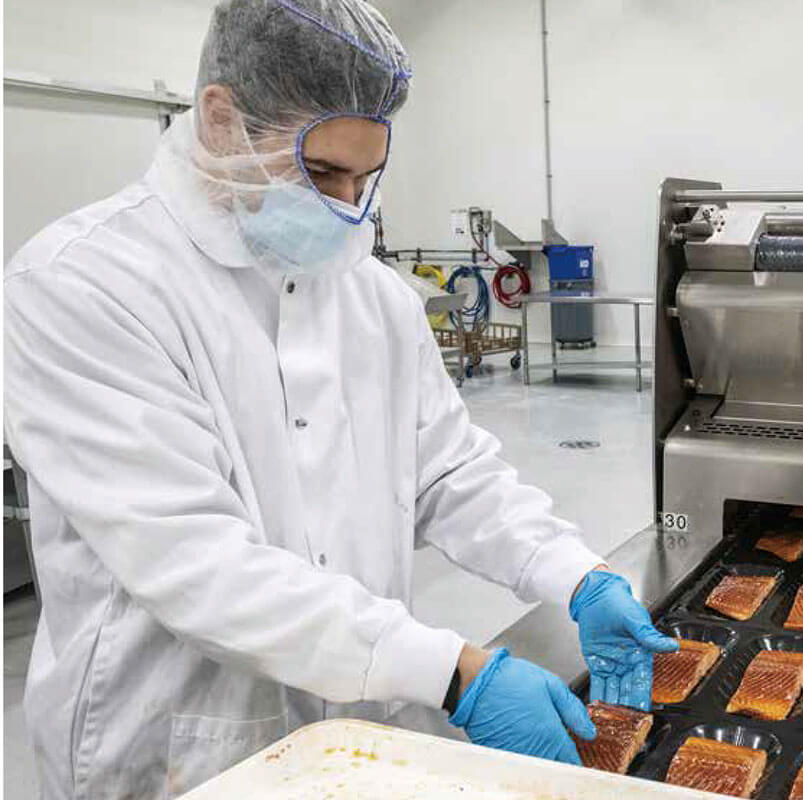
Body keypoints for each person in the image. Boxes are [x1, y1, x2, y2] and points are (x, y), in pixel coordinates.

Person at [3, 1, 677, 797]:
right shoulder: (84, 285)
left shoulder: (371, 294)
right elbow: (196, 563)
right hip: (174, 747)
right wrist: (456, 672)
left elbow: (450, 472)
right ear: (220, 119)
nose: (347, 205)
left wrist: (574, 573)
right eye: (323, 173)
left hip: (363, 731)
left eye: (366, 178)